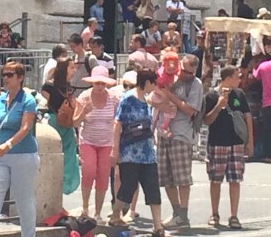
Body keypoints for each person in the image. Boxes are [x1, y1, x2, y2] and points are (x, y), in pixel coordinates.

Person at [0, 60, 39, 237]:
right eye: (4, 74)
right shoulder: (2, 99)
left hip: (23, 156)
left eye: (9, 75)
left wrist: (8, 144)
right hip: (0, 157)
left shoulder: (28, 100)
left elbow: (26, 128)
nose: (5, 78)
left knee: (23, 201)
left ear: (20, 78)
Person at [108, 68, 166, 237]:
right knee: (128, 186)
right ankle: (115, 214)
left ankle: (157, 226)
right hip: (130, 152)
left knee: (152, 187)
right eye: (153, 83)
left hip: (147, 153)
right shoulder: (128, 98)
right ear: (147, 82)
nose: (154, 86)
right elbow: (117, 123)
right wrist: (115, 149)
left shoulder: (145, 100)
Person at [203, 65, 253, 230]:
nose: (239, 79)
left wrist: (249, 141)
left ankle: (234, 215)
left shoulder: (239, 95)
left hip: (236, 142)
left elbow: (247, 117)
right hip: (217, 142)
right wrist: (219, 106)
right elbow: (207, 121)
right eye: (237, 76)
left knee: (235, 179)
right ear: (227, 78)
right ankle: (214, 213)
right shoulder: (211, 95)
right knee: (215, 179)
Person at [157, 53, 204, 230]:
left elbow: (190, 110)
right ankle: (177, 212)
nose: (186, 75)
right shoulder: (171, 77)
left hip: (182, 134)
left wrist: (169, 95)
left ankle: (183, 214)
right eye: (184, 70)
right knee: (166, 177)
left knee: (182, 178)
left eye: (191, 73)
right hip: (163, 132)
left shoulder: (195, 85)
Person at [74, 65, 118, 220]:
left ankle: (98, 212)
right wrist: (84, 112)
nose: (100, 86)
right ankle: (85, 206)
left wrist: (116, 145)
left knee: (103, 175)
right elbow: (75, 123)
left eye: (103, 83)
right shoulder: (84, 97)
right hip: (88, 140)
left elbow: (118, 121)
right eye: (97, 83)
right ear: (92, 83)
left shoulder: (113, 98)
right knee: (89, 171)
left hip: (107, 141)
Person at [41, 57, 80, 196]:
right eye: (71, 67)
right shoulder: (49, 86)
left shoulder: (68, 87)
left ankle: (65, 186)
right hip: (54, 122)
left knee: (69, 158)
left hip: (67, 124)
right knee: (54, 157)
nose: (74, 71)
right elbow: (47, 100)